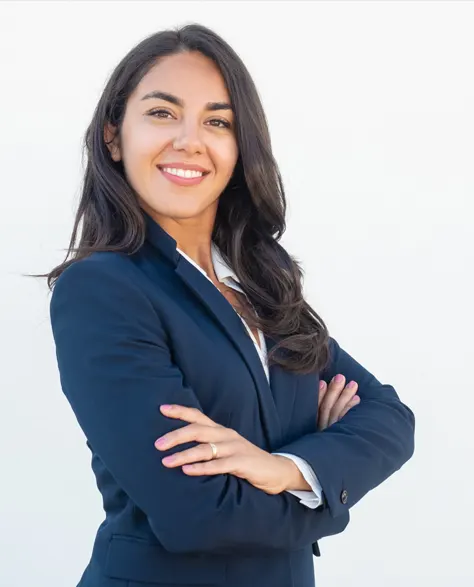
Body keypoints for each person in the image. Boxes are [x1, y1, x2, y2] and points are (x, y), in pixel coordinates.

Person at [45, 24, 415, 587]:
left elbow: (389, 418)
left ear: (240, 150)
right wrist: (323, 482)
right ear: (114, 138)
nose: (190, 141)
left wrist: (278, 468)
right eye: (162, 114)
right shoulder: (103, 291)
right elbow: (197, 517)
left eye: (217, 122)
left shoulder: (264, 283)